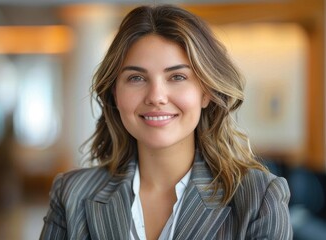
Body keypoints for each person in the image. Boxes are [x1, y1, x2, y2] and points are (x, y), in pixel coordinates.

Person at [40, 4, 292, 240]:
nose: (156, 97)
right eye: (137, 78)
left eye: (177, 77)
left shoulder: (259, 197)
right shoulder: (71, 194)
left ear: (206, 92)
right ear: (115, 94)